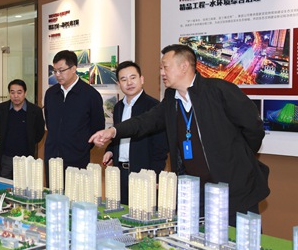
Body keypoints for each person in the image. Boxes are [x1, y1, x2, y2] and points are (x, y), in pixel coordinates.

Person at [90, 44, 270, 225]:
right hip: (194, 191)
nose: (161, 73)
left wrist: (237, 160)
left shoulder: (218, 90)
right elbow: (145, 121)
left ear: (184, 66)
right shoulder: (171, 99)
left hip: (234, 190)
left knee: (238, 238)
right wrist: (113, 131)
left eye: (165, 67)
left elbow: (253, 128)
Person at [102, 61, 168, 205]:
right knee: (121, 210)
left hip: (143, 174)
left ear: (141, 79)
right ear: (119, 84)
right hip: (120, 172)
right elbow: (117, 136)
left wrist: (153, 176)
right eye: (124, 79)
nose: (129, 83)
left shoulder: (154, 108)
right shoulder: (118, 107)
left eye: (133, 77)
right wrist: (110, 150)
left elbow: (161, 147)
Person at [44, 50, 105, 169]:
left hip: (77, 159)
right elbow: (49, 122)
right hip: (52, 158)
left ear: (73, 69)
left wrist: (81, 147)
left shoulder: (90, 95)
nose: (57, 75)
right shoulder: (51, 93)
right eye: (55, 71)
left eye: (61, 70)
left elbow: (97, 127)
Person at [0, 79, 45, 179]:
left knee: (24, 185)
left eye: (19, 92)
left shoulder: (35, 110)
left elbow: (40, 132)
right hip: (6, 157)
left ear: (25, 93)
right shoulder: (1, 108)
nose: (15, 96)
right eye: (12, 92)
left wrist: (30, 141)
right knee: (3, 184)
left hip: (25, 157)